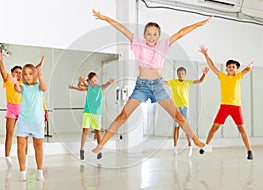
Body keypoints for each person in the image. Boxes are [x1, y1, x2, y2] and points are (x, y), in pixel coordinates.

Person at [87, 9, 213, 159]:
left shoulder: (164, 45)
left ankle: (197, 141)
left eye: (155, 34)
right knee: (122, 116)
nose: (151, 37)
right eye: (149, 34)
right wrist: (105, 17)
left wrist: (200, 23)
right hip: (141, 86)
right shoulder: (137, 43)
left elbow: (180, 33)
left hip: (158, 86)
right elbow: (121, 28)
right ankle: (100, 146)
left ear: (159, 36)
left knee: (178, 117)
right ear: (144, 35)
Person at [199, 45, 254, 160]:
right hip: (224, 107)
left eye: (233, 67)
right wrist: (206, 54)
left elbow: (246, 70)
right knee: (214, 127)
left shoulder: (238, 77)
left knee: (241, 129)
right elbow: (212, 66)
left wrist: (249, 68)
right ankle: (206, 145)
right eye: (228, 66)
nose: (230, 68)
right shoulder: (222, 77)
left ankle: (249, 150)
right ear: (226, 69)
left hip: (236, 107)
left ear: (236, 69)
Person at [0, 51, 44, 168]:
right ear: (12, 73)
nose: (18, 74)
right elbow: (2, 71)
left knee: (24, 138)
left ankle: (24, 158)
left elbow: (34, 70)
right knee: (10, 133)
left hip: (23, 111)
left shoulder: (24, 83)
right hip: (12, 110)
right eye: (16, 72)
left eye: (20, 73)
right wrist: (0, 60)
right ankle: (7, 156)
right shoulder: (8, 80)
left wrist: (40, 63)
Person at [12, 61, 47, 181]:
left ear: (34, 75)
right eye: (25, 74)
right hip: (23, 121)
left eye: (30, 73)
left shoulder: (38, 86)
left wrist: (40, 76)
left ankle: (40, 172)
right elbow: (17, 88)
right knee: (21, 146)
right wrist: (15, 82)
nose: (27, 76)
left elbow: (44, 88)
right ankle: (22, 173)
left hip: (37, 122)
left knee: (39, 147)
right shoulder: (23, 87)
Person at [163, 66, 209, 157]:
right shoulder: (173, 82)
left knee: (187, 127)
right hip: (176, 108)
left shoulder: (187, 82)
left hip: (185, 107)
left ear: (185, 75)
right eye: (179, 74)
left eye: (182, 74)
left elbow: (200, 81)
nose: (180, 75)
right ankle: (175, 148)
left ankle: (190, 146)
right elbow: (161, 82)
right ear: (177, 74)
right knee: (176, 128)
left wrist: (204, 74)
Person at [69, 72, 114, 160]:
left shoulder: (100, 88)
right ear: (89, 82)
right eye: (92, 81)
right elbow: (80, 87)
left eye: (96, 80)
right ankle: (82, 150)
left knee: (98, 132)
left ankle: (99, 150)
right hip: (87, 112)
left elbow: (105, 85)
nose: (94, 82)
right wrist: (80, 81)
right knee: (85, 131)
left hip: (97, 113)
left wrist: (109, 82)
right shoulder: (88, 88)